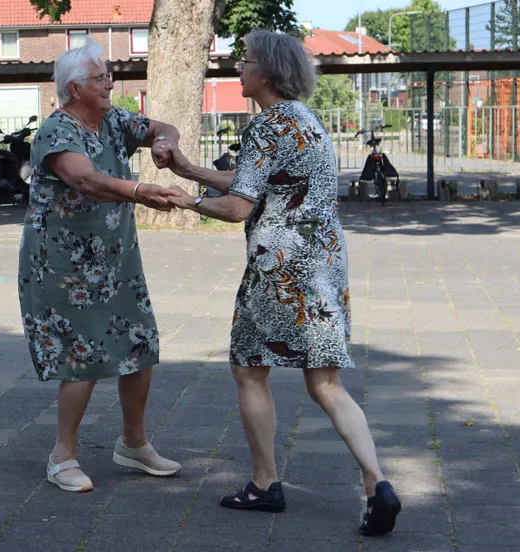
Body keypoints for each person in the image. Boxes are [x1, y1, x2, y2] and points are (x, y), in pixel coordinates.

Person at [161, 30, 401, 536]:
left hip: (278, 272)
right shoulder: (306, 121)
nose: (237, 70)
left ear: (266, 73)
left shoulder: (266, 126)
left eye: (244, 62)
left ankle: (265, 483)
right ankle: (377, 483)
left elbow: (237, 206)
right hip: (326, 267)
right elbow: (258, 179)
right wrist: (187, 167)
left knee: (249, 369)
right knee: (327, 384)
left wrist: (187, 202)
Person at [17, 38, 183, 493]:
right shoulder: (57, 131)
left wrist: (164, 143)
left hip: (116, 258)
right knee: (82, 357)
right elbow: (84, 179)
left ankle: (133, 444)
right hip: (64, 266)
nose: (110, 82)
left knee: (140, 345)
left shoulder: (113, 120)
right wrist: (139, 190)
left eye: (108, 75)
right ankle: (62, 456)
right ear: (74, 88)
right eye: (100, 77)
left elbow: (160, 126)